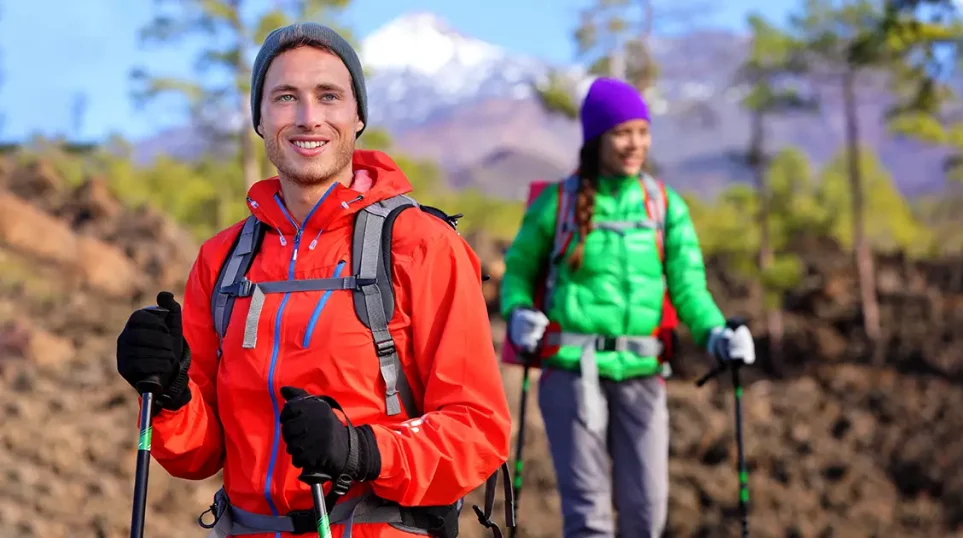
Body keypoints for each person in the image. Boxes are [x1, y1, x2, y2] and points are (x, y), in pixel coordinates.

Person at [115, 22, 512, 538]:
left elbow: (477, 429)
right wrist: (169, 396)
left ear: (359, 115)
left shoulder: (421, 246)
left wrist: (362, 451)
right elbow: (201, 453)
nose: (308, 118)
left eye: (329, 96)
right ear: (259, 117)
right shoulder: (223, 260)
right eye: (285, 97)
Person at [499, 77, 756, 538]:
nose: (634, 143)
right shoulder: (557, 205)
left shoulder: (664, 206)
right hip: (572, 374)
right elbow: (517, 272)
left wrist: (718, 333)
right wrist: (518, 312)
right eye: (622, 132)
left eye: (642, 131)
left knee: (648, 515)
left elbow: (689, 289)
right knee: (589, 518)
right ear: (597, 138)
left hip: (642, 374)